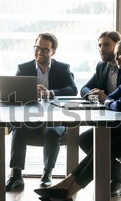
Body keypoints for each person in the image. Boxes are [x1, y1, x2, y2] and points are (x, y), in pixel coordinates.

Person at [34, 39, 121, 201]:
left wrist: (107, 100)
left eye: (120, 53)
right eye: (116, 54)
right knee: (88, 140)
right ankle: (68, 186)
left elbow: (116, 103)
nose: (116, 57)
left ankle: (68, 190)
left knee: (104, 148)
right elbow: (113, 98)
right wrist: (108, 100)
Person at [5, 32, 78, 191]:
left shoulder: (62, 68)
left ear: (53, 52)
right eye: (37, 48)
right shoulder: (23, 68)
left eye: (45, 49)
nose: (40, 52)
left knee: (51, 131)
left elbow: (73, 90)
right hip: (30, 120)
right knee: (18, 127)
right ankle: (16, 175)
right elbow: (11, 92)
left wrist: (50, 93)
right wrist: (30, 90)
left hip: (55, 120)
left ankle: (47, 174)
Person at [80, 31, 121, 196]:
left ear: (118, 46)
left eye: (106, 45)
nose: (101, 49)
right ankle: (110, 176)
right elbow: (84, 88)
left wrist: (106, 98)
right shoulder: (102, 67)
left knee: (103, 141)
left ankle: (116, 180)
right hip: (109, 117)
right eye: (99, 45)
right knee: (85, 139)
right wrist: (91, 93)